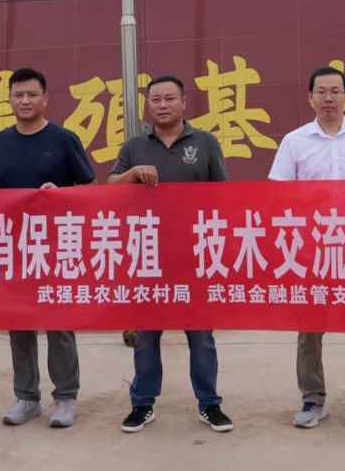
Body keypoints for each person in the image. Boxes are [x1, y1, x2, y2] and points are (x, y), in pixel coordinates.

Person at [268, 66, 345, 429]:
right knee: (310, 329)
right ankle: (312, 399)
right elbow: (278, 193)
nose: (328, 99)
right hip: (311, 249)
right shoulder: (294, 141)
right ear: (310, 98)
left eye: (335, 91)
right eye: (321, 92)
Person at [108, 75, 233, 433]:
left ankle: (209, 404)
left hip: (194, 254)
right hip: (148, 253)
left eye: (169, 98)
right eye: (155, 100)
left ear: (183, 103)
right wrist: (133, 173)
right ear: (147, 106)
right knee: (147, 335)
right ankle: (142, 403)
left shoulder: (205, 142)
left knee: (201, 335)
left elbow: (223, 196)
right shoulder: (134, 147)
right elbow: (111, 188)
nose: (162, 105)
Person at [0, 67, 96, 428]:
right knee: (19, 323)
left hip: (56, 246)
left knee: (58, 323)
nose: (25, 101)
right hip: (13, 247)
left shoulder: (64, 140)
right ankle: (26, 397)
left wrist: (61, 195)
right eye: (18, 95)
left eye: (32, 94)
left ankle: (66, 397)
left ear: (45, 99)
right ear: (10, 100)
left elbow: (88, 190)